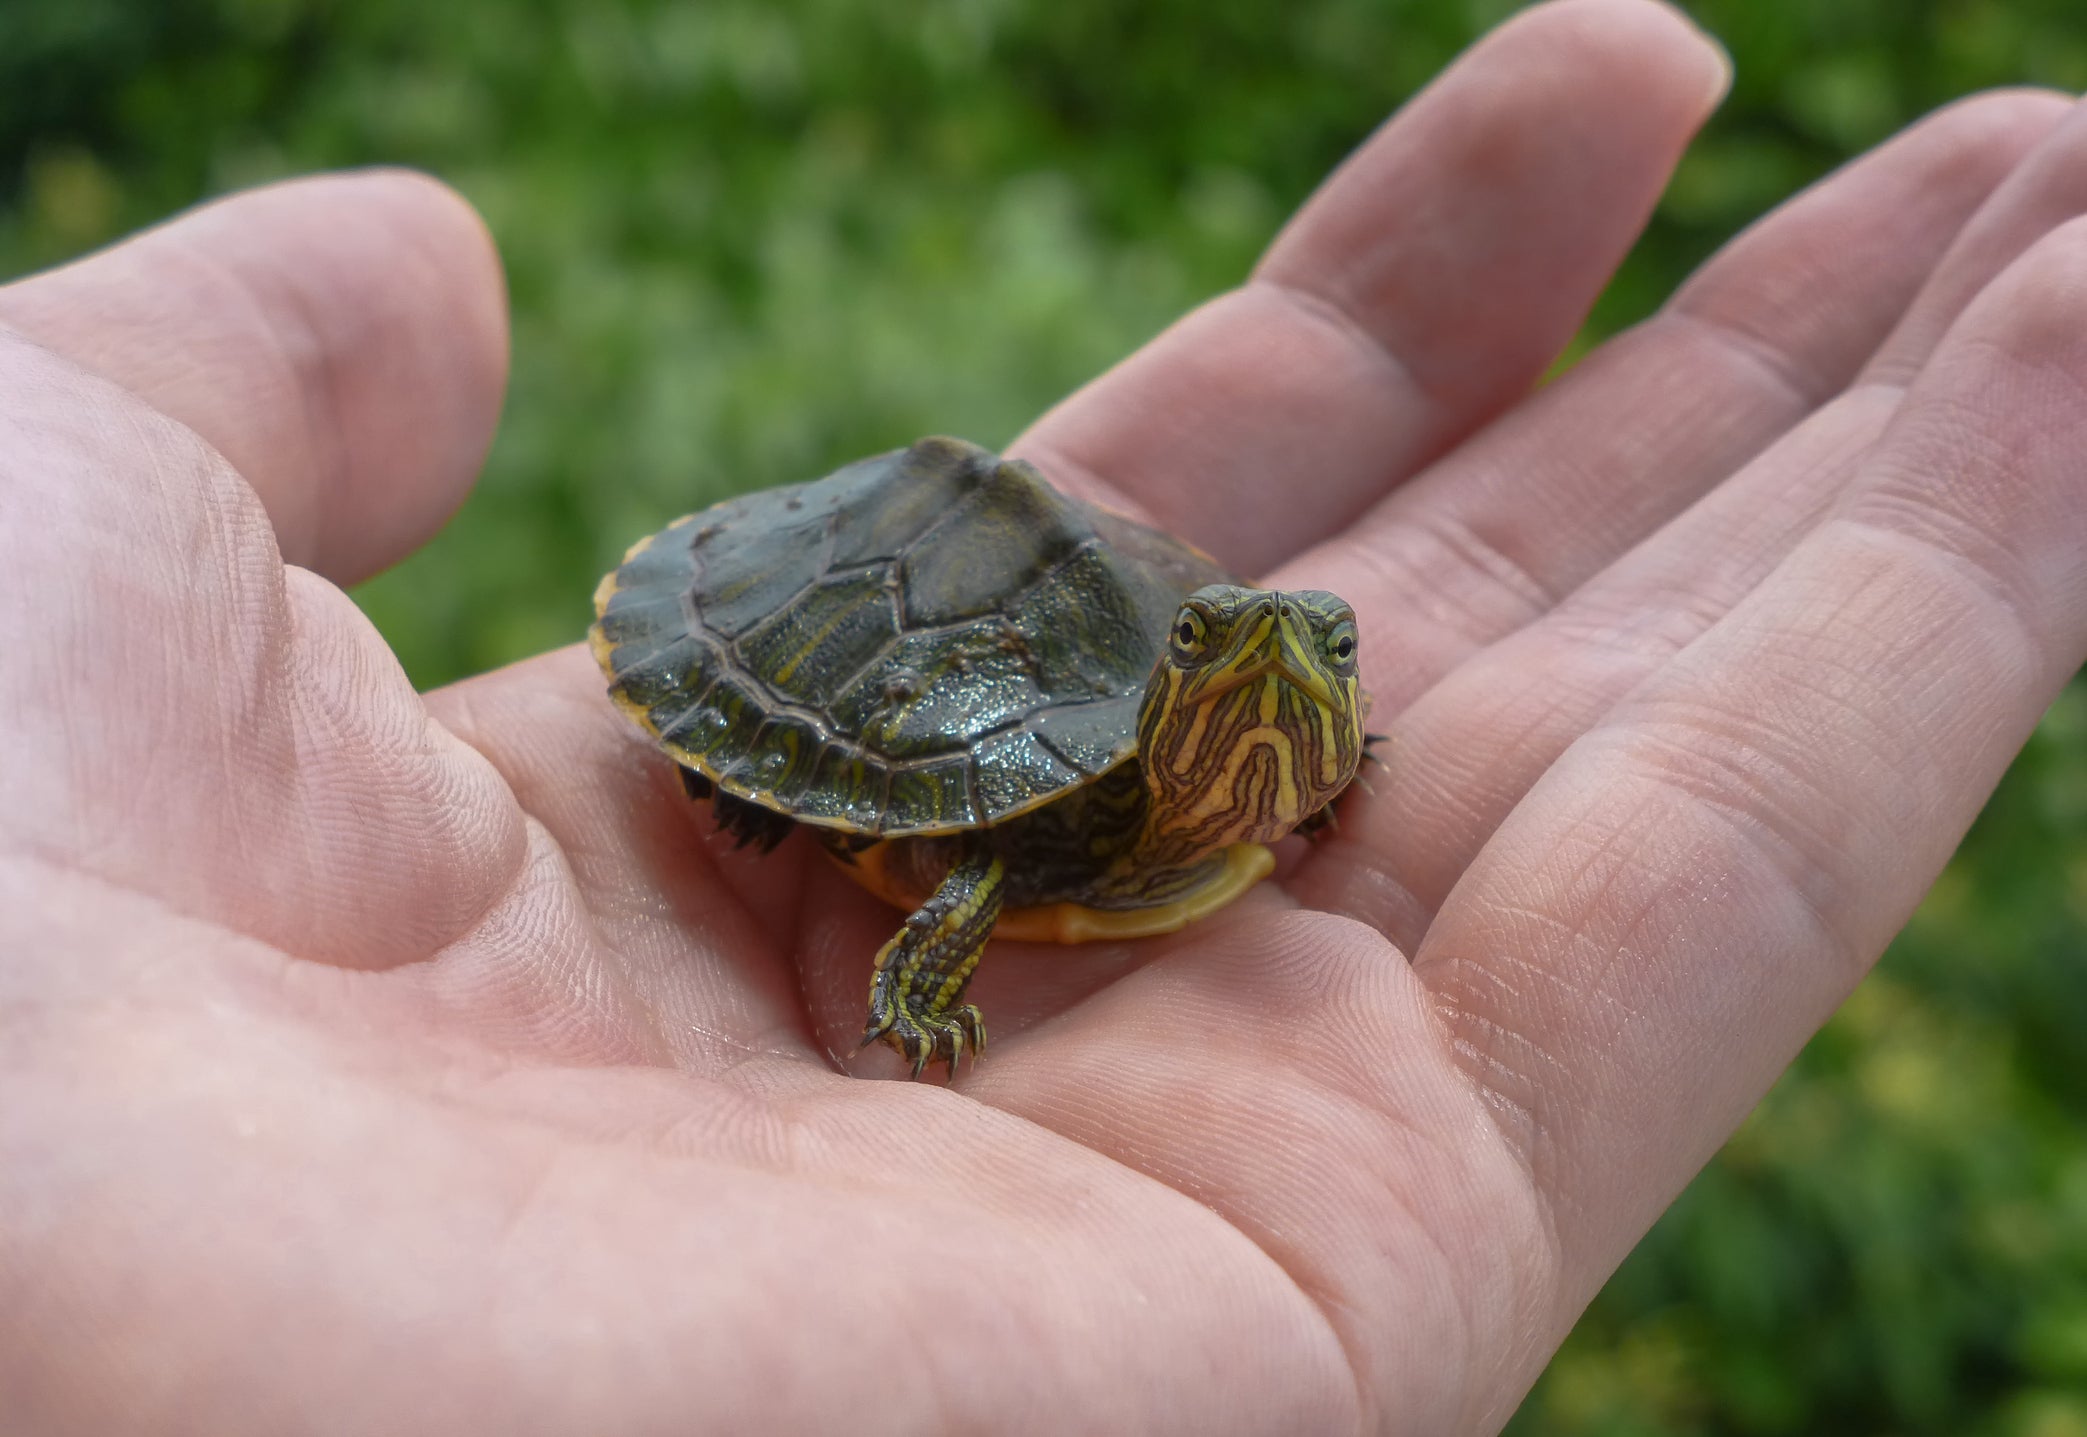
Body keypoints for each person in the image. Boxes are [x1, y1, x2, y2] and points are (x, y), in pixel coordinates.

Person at [4, 0, 2084, 1430]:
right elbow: (954, 857)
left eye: (1316, 682)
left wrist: (1320, 770)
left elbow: (1289, 712)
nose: (1289, 695)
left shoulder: (1256, 768)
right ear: (1180, 709)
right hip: (854, 602)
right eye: (1254, 679)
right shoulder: (1043, 818)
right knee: (849, 808)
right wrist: (909, 956)